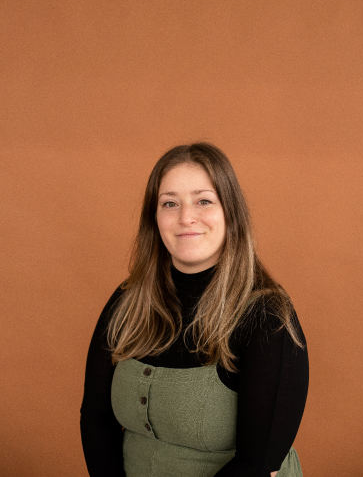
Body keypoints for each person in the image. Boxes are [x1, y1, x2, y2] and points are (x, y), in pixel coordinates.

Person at [80, 142, 309, 477]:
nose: (186, 217)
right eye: (170, 203)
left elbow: (256, 465)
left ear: (230, 212)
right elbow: (96, 417)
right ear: (154, 218)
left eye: (204, 200)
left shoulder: (267, 316)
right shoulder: (127, 301)